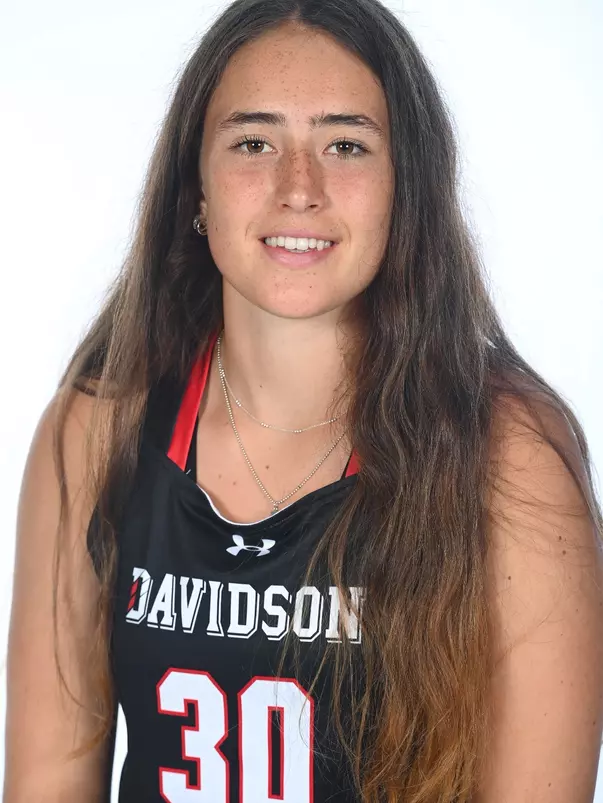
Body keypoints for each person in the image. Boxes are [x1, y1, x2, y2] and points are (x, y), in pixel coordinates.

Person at [5, 1, 603, 801]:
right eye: (254, 142)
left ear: (405, 189)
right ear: (198, 188)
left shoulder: (506, 454)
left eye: (345, 145)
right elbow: (47, 782)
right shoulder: (96, 429)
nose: (299, 188)